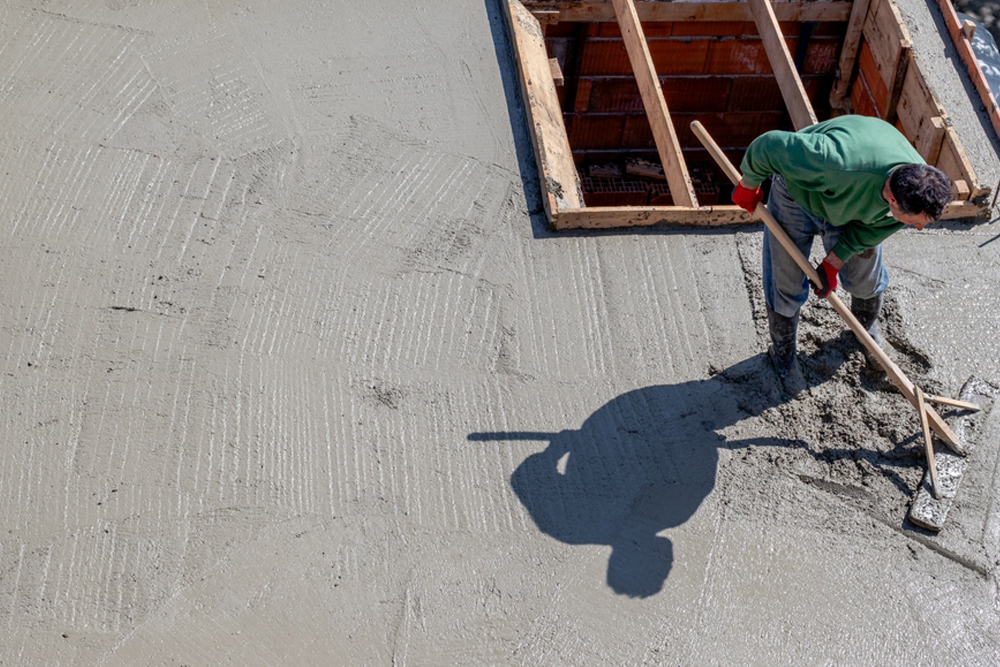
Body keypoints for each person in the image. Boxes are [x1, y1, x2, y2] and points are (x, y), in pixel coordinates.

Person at [730, 115, 952, 385]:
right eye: (913, 222)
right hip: (798, 195)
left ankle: (866, 328)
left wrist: (833, 263)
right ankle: (783, 356)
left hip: (850, 206)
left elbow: (872, 230)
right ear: (892, 200)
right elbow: (769, 147)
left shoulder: (915, 188)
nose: (917, 229)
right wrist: (749, 184)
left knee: (864, 276)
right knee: (785, 279)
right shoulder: (833, 162)